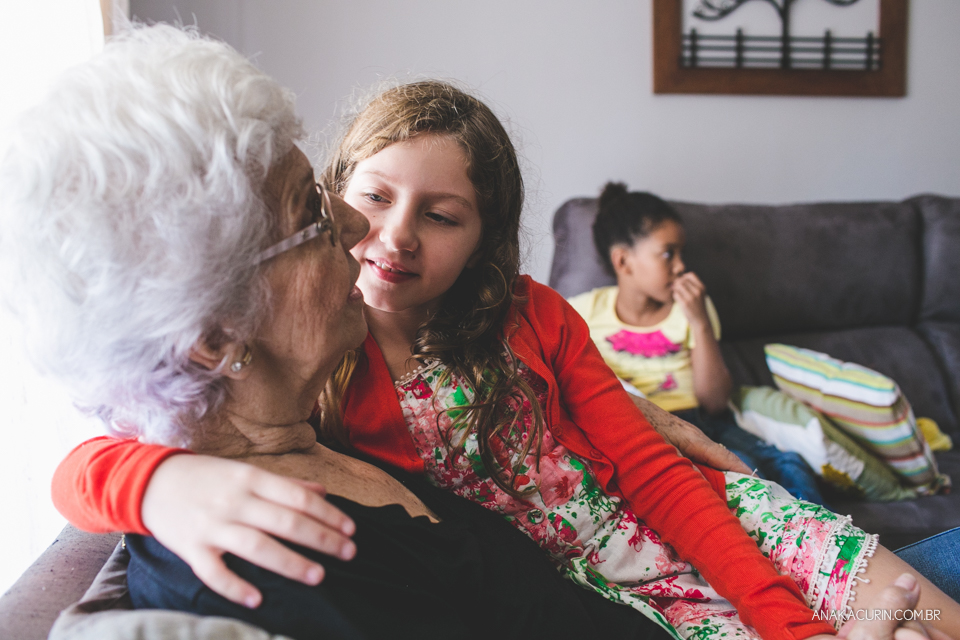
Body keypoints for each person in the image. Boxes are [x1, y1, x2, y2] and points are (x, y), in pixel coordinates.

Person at [45, 55, 958, 640]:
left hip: (699, 527)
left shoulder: (520, 320)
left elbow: (652, 470)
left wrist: (785, 617)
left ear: (484, 237)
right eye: (339, 212)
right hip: (627, 591)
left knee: (911, 602)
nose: (381, 239)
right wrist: (155, 481)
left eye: (440, 217)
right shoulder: (313, 402)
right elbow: (103, 452)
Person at [0, 24, 678, 640]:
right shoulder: (277, 562)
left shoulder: (304, 431)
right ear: (214, 336)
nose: (356, 229)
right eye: (313, 215)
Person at [568, 183, 825, 505]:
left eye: (681, 253)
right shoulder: (581, 311)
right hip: (639, 423)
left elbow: (715, 400)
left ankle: (823, 542)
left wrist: (700, 322)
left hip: (701, 422)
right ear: (624, 262)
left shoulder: (691, 310)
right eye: (667, 253)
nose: (680, 266)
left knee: (786, 467)